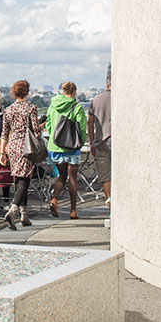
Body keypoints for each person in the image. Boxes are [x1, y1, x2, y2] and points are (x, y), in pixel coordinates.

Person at [0, 79, 42, 229]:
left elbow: (4, 133)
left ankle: (24, 215)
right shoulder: (31, 108)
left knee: (20, 179)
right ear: (27, 92)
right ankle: (13, 210)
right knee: (24, 180)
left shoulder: (8, 110)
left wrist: (2, 152)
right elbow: (36, 130)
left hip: (13, 146)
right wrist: (40, 125)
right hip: (26, 147)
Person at [46, 80, 88, 219]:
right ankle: (73, 211)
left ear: (63, 92)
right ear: (75, 92)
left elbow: (49, 124)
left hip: (56, 146)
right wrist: (80, 142)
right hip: (71, 148)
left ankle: (54, 198)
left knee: (61, 176)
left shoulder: (53, 105)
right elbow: (82, 128)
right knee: (73, 179)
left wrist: (55, 137)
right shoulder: (77, 107)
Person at [88, 76, 111, 207]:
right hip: (120, 144)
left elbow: (90, 122)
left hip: (102, 143)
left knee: (105, 176)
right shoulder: (123, 97)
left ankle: (109, 201)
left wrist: (92, 142)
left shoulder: (96, 100)